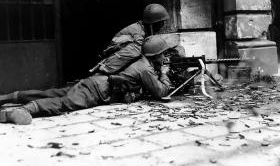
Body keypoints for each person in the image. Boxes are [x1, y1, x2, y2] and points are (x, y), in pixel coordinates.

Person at [0, 36, 172, 125]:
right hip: (96, 90)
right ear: (156, 55)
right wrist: (164, 73)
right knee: (64, 103)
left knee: (51, 93)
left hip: (95, 82)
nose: (164, 56)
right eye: (163, 53)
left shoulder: (140, 61)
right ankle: (18, 112)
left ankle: (7, 98)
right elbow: (161, 92)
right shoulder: (145, 69)